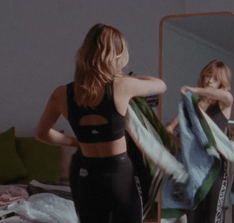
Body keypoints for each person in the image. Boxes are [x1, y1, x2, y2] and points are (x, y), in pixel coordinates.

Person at [35, 23, 167, 223]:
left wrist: (75, 142)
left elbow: (42, 134)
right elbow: (161, 85)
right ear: (116, 54)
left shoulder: (61, 93)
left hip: (86, 175)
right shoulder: (122, 86)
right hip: (118, 174)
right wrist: (129, 79)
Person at [166, 60, 233, 223]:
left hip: (215, 172)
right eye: (207, 76)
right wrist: (186, 147)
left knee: (211, 219)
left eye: (215, 79)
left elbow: (228, 96)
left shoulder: (222, 105)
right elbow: (168, 130)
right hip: (193, 171)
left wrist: (195, 90)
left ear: (221, 83)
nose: (209, 81)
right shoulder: (191, 107)